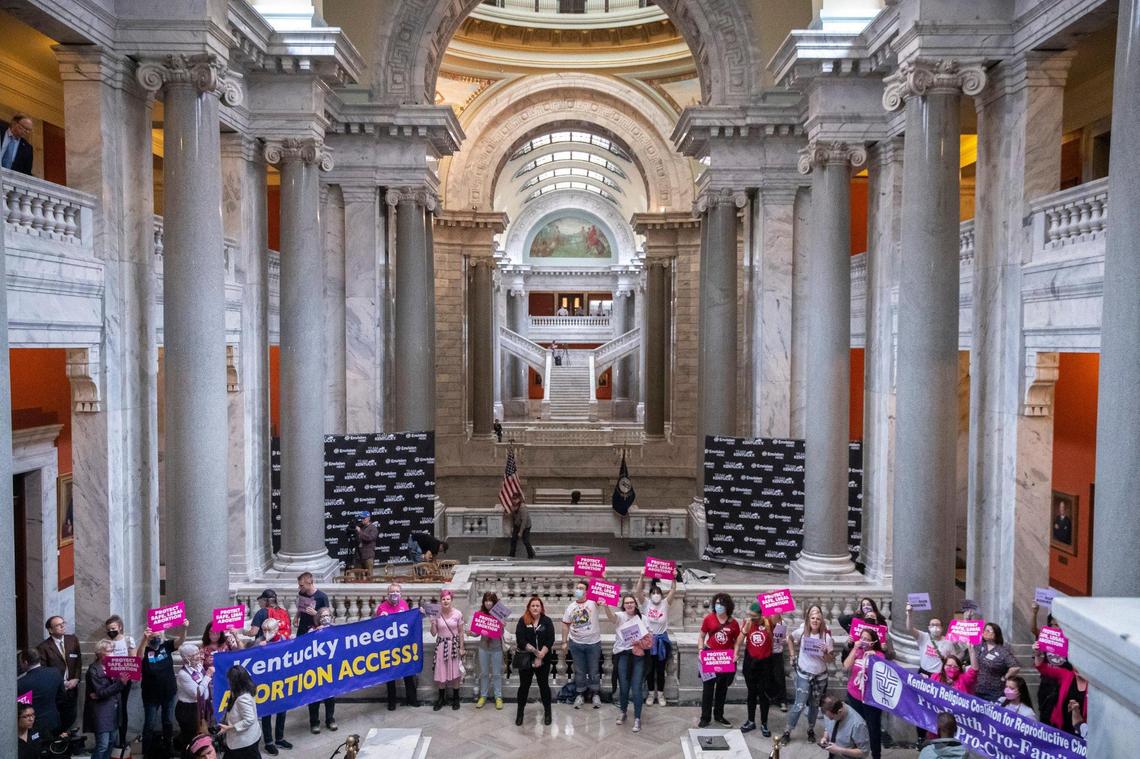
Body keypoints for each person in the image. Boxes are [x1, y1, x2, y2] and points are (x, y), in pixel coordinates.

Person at [781, 604, 835, 746]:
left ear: (822, 620)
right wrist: (792, 655)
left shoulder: (826, 638)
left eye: (818, 618)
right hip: (804, 675)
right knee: (799, 704)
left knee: (814, 705)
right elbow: (789, 638)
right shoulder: (802, 632)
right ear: (808, 619)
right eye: (812, 617)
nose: (815, 620)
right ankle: (787, 731)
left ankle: (810, 729)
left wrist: (825, 653)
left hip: (820, 677)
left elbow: (831, 659)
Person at [138, 619, 188, 758]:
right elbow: (138, 657)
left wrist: (184, 628)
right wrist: (144, 640)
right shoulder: (146, 649)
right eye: (153, 638)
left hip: (168, 692)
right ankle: (146, 752)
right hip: (151, 695)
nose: (156, 640)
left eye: (158, 637)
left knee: (168, 721)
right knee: (150, 723)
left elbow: (180, 641)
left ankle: (168, 747)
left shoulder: (166, 646)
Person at [602, 594, 653, 732]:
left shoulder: (644, 619)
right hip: (623, 655)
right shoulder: (620, 616)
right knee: (623, 686)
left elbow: (650, 639)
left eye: (631, 602)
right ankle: (623, 712)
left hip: (638, 656)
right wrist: (606, 606)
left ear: (635, 604)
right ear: (623, 605)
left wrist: (639, 642)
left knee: (636, 688)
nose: (629, 605)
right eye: (627, 603)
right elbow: (611, 618)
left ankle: (637, 718)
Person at [697, 592, 740, 728]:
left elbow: (738, 641)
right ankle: (705, 717)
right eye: (717, 603)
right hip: (710, 655)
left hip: (726, 657)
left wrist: (736, 654)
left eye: (722, 604)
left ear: (728, 606)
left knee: (722, 688)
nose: (719, 606)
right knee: (708, 688)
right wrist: (700, 650)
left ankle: (719, 715)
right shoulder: (709, 619)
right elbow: (701, 636)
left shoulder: (734, 623)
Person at [374, 583, 420, 710]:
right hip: (389, 646)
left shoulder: (404, 604)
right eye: (392, 592)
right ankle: (391, 702)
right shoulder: (382, 608)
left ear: (401, 593)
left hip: (404, 644)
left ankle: (412, 699)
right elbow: (376, 627)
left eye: (397, 592)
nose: (395, 594)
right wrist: (380, 619)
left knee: (408, 672)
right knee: (390, 675)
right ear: (387, 594)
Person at [843, 627, 886, 759]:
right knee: (855, 725)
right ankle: (856, 753)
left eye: (867, 639)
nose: (864, 641)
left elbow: (883, 674)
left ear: (873, 641)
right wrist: (855, 648)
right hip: (854, 695)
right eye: (862, 638)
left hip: (871, 699)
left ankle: (876, 755)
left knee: (873, 728)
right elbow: (846, 666)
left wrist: (875, 659)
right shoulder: (857, 651)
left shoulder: (879, 655)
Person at [735, 603, 777, 736]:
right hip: (751, 663)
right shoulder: (747, 623)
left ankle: (764, 723)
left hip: (765, 664)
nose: (750, 618)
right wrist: (744, 630)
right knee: (751, 693)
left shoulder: (769, 622)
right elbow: (739, 641)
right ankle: (750, 720)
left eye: (753, 616)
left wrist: (772, 601)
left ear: (760, 615)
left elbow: (777, 617)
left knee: (763, 695)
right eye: (749, 615)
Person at [84, 639, 130, 759]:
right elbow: (102, 692)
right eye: (109, 651)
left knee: (112, 742)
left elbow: (105, 692)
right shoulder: (93, 670)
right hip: (101, 711)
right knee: (103, 744)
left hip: (114, 708)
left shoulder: (115, 666)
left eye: (113, 650)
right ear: (100, 653)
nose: (112, 653)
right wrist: (120, 684)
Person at [37, 615, 82, 736]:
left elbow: (78, 662)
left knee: (71, 717)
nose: (62, 626)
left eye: (63, 623)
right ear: (50, 630)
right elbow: (44, 670)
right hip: (56, 691)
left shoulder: (72, 640)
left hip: (72, 688)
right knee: (57, 720)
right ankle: (57, 745)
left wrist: (76, 679)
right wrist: (61, 683)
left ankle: (65, 744)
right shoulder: (43, 647)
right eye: (58, 625)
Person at [561, 579, 603, 709]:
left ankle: (595, 693)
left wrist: (602, 578)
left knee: (594, 670)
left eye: (581, 588)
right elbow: (565, 624)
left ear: (587, 591)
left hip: (593, 643)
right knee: (579, 671)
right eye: (577, 587)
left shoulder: (593, 603)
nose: (578, 590)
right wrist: (564, 641)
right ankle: (580, 694)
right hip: (576, 643)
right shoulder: (571, 607)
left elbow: (602, 590)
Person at [634, 573, 674, 706]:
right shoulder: (646, 603)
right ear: (650, 595)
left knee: (661, 669)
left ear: (661, 595)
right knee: (649, 669)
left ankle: (661, 695)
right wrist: (641, 576)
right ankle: (651, 694)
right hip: (649, 641)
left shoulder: (665, 603)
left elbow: (674, 590)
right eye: (653, 592)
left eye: (658, 592)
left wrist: (673, 578)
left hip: (662, 641)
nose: (656, 594)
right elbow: (638, 591)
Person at [514, 596, 555, 726]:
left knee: (544, 686)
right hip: (526, 659)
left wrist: (540, 655)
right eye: (533, 606)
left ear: (541, 608)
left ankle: (548, 713)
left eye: (538, 606)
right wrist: (533, 651)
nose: (535, 608)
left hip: (543, 659)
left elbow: (550, 639)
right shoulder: (523, 621)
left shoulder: (547, 621)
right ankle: (520, 713)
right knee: (524, 687)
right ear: (529, 608)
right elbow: (520, 640)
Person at [1033, 643, 1088, 734]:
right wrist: (1038, 653)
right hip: (1063, 728)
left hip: (1083, 731)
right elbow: (1042, 668)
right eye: (1076, 664)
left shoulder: (1094, 686)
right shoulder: (1066, 675)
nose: (1078, 668)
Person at [256, 618, 291, 755]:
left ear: (276, 629)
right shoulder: (260, 643)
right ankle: (269, 742)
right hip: (266, 683)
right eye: (264, 630)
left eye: (269, 630)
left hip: (282, 681)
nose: (266, 632)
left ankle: (280, 738)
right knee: (267, 713)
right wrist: (260, 649)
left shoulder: (283, 639)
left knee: (282, 711)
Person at [16, 648, 66, 741]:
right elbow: (62, 697)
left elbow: (20, 707)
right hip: (53, 721)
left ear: (25, 662)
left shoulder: (21, 684)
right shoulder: (55, 673)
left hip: (33, 725)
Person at [104, 614, 137, 750]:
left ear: (120, 627)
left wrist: (127, 676)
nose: (111, 631)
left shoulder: (128, 640)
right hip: (110, 680)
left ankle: (122, 739)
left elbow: (133, 659)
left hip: (125, 680)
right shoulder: (107, 643)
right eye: (108, 629)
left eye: (113, 628)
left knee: (122, 708)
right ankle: (112, 739)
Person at [429, 590, 465, 711]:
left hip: (453, 646)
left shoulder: (458, 614)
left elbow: (460, 632)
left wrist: (462, 647)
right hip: (441, 646)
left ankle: (456, 698)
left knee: (455, 673)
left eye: (448, 599)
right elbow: (433, 633)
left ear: (451, 600)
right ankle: (441, 698)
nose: (446, 601)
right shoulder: (436, 614)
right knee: (441, 672)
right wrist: (433, 622)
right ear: (440, 601)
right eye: (443, 599)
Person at [217, 665, 261, 759]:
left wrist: (230, 727)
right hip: (249, 737)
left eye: (230, 680)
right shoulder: (245, 689)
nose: (228, 682)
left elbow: (249, 719)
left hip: (244, 742)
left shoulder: (243, 698)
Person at [305, 609, 338, 733]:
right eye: (323, 616)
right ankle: (314, 722)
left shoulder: (335, 630)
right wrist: (315, 633)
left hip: (330, 668)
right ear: (318, 618)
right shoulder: (312, 631)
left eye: (328, 615)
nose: (325, 618)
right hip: (315, 669)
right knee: (315, 698)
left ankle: (330, 719)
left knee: (330, 697)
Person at [174, 643, 211, 750]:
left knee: (200, 738)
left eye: (198, 653)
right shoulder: (183, 674)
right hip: (188, 710)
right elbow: (197, 693)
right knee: (190, 740)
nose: (199, 656)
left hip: (200, 707)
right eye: (195, 654)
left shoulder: (199, 666)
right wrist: (207, 676)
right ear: (186, 658)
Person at [472, 591, 504, 710]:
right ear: (483, 602)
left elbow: (500, 633)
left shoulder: (499, 614)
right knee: (484, 673)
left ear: (494, 602)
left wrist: (502, 625)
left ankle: (498, 697)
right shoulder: (480, 614)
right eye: (486, 600)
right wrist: (473, 632)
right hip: (483, 648)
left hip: (496, 648)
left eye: (490, 600)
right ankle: (483, 695)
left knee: (496, 674)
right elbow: (476, 632)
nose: (488, 603)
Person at [973, 622, 1020, 701]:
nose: (985, 632)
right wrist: (967, 619)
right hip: (978, 688)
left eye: (989, 631)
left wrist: (1005, 677)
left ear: (996, 634)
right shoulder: (980, 646)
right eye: (985, 630)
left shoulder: (1002, 651)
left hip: (994, 692)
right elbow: (970, 633)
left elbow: (1016, 667)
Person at [295, 572, 330, 637]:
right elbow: (300, 606)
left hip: (315, 629)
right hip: (302, 626)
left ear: (309, 583)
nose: (299, 587)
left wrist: (316, 614)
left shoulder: (322, 597)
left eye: (301, 585)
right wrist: (296, 617)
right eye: (299, 585)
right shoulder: (302, 593)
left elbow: (327, 618)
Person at [507, 491, 535, 559]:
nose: (514, 500)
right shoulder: (512, 507)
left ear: (519, 499)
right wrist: (511, 528)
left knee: (525, 541)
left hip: (526, 526)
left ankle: (531, 554)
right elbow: (512, 518)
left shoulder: (523, 508)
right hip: (517, 525)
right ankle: (512, 554)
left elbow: (524, 521)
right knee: (513, 539)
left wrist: (521, 532)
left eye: (516, 499)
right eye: (513, 499)